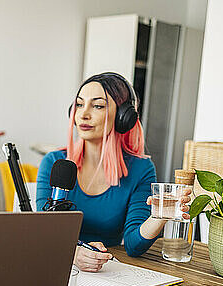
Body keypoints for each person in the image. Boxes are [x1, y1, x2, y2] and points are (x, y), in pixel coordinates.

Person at [36, 72, 190, 272]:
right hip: (54, 267)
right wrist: (73, 253)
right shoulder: (54, 163)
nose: (83, 114)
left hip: (108, 270)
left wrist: (160, 214)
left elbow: (134, 245)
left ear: (122, 117)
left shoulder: (141, 170)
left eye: (98, 106)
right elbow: (42, 231)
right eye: (80, 104)